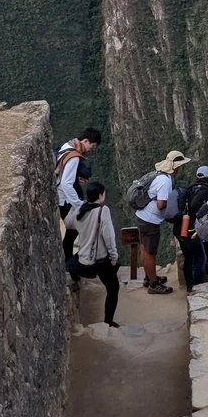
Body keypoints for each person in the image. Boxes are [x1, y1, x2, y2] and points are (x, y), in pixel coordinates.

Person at [65, 180, 121, 326]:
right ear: (101, 195)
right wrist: (114, 257)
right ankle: (108, 321)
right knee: (113, 288)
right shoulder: (103, 211)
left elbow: (68, 223)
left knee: (70, 263)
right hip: (99, 262)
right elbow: (109, 237)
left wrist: (74, 205)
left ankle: (75, 277)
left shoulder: (79, 210)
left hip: (82, 262)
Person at [136, 149, 189, 295]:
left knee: (144, 249)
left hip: (142, 216)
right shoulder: (165, 181)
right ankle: (153, 284)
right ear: (175, 167)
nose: (181, 168)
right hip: (150, 220)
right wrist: (172, 205)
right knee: (150, 252)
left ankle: (149, 277)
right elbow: (160, 204)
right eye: (180, 165)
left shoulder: (159, 175)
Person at [56, 127, 101, 258]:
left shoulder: (67, 145)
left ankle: (69, 262)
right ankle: (69, 262)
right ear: (85, 141)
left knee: (72, 231)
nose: (92, 148)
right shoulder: (74, 157)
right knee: (73, 231)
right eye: (92, 145)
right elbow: (66, 183)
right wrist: (78, 204)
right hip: (64, 200)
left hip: (61, 195)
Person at [178, 164, 208, 292]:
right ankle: (198, 286)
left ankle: (189, 285)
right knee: (200, 257)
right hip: (193, 227)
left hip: (183, 224)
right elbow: (194, 205)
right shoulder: (203, 189)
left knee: (188, 256)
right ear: (207, 177)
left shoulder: (190, 187)